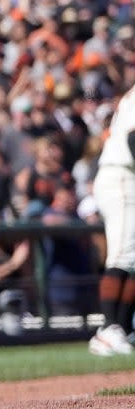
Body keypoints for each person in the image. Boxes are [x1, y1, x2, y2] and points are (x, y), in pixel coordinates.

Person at [87, 85, 135, 356]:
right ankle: (108, 328)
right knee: (121, 255)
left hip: (128, 176)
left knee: (133, 259)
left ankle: (124, 327)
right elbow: (133, 139)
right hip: (121, 176)